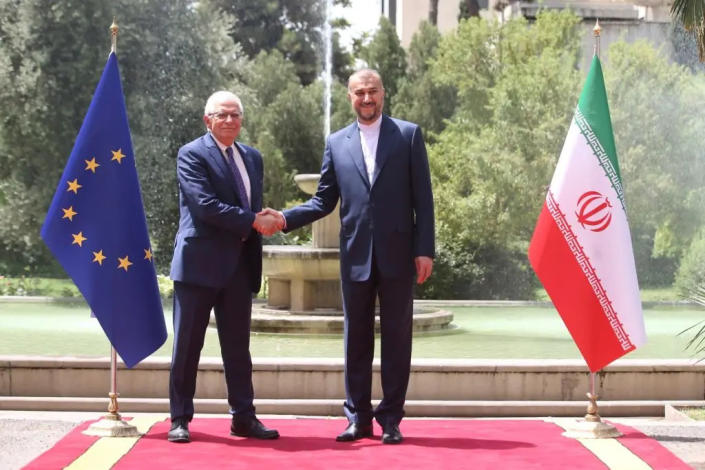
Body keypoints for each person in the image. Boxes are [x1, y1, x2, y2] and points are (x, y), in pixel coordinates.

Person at [273, 68, 435, 444]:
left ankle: (391, 420)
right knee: (355, 340)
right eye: (360, 92)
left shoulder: (408, 135)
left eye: (373, 91)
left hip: (399, 255)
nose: (367, 98)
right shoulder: (336, 142)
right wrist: (283, 218)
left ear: (384, 93)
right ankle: (358, 419)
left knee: (397, 339)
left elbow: (422, 200)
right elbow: (323, 200)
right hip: (355, 255)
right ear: (350, 97)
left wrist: (424, 249)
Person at [167, 91, 282, 443]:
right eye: (222, 115)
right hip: (198, 265)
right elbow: (205, 206)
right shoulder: (191, 154)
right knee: (187, 347)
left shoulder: (252, 157)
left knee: (238, 348)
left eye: (235, 115)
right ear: (208, 120)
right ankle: (180, 419)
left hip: (238, 266)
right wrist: (253, 221)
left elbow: (252, 203)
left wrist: (258, 219)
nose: (230, 120)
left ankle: (243, 418)